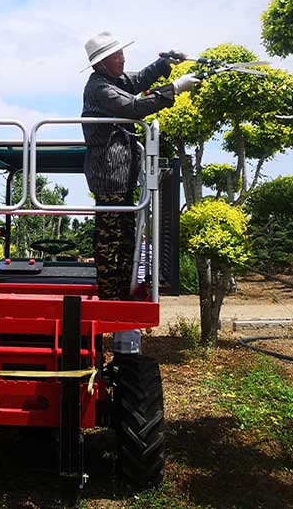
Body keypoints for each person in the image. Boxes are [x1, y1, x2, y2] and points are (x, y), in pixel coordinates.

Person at [80, 31, 200, 352]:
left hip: (122, 176)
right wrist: (173, 89)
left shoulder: (113, 80)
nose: (123, 59)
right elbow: (134, 107)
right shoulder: (100, 88)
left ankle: (120, 288)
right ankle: (110, 293)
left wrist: (163, 65)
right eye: (118, 56)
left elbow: (137, 80)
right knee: (110, 236)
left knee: (124, 234)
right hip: (109, 174)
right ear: (103, 63)